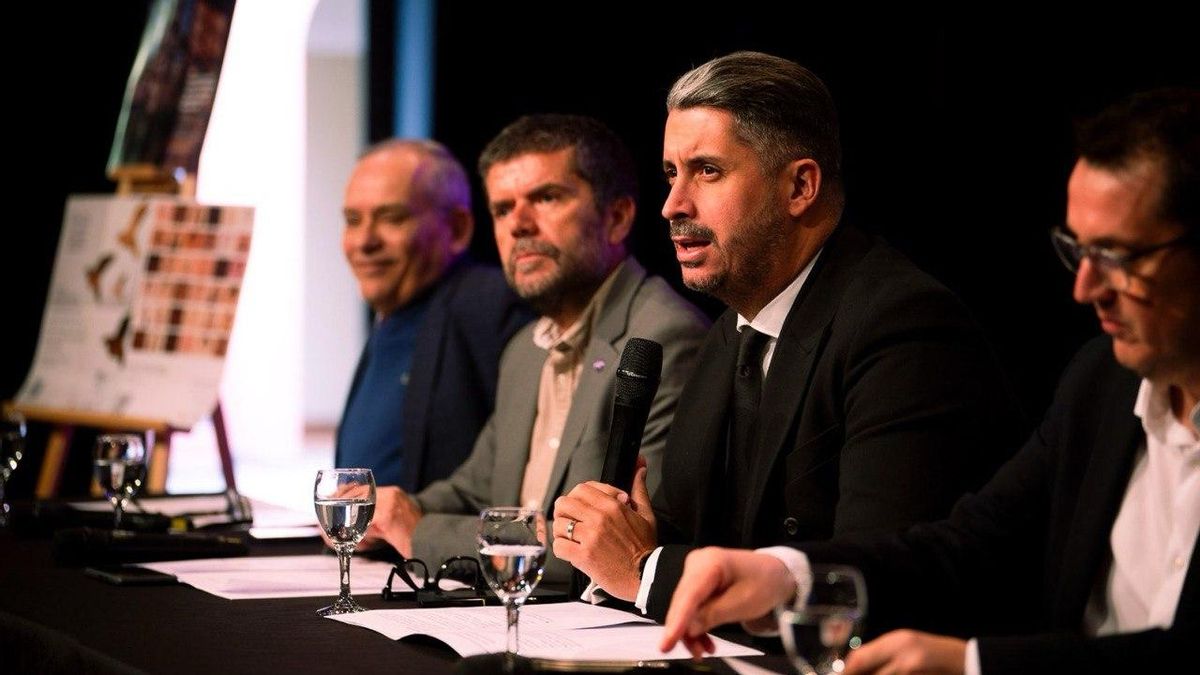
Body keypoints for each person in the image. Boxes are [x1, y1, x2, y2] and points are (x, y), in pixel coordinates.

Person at [659, 87, 1199, 673]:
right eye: (1080, 252)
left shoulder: (897, 316)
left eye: (1119, 257)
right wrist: (785, 574)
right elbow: (966, 545)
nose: (1085, 289)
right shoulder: (1102, 382)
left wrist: (970, 664)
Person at [552, 51, 1023, 615]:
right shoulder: (730, 332)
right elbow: (683, 528)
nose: (672, 206)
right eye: (671, 174)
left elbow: (872, 578)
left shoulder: (903, 325)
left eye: (708, 171)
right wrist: (619, 539)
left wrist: (643, 570)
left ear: (800, 186)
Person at [358, 114, 710, 583]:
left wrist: (420, 533)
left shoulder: (664, 339)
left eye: (546, 198)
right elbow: (474, 488)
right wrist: (388, 511)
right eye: (502, 209)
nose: (518, 225)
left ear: (617, 218)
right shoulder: (525, 348)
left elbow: (607, 546)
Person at [336, 139, 532, 491]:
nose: (364, 241)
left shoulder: (488, 308)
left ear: (457, 229)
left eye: (391, 218)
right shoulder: (390, 315)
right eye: (353, 220)